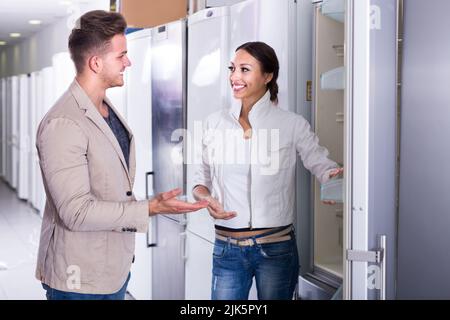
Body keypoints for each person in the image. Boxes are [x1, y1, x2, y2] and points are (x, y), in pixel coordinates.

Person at [35, 10, 208, 300]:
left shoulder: (104, 108)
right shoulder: (63, 123)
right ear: (95, 62)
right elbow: (75, 212)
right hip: (78, 280)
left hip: (112, 270)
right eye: (121, 55)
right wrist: (149, 208)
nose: (128, 61)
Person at [192, 41, 343, 300]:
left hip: (276, 249)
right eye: (232, 68)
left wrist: (334, 181)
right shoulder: (213, 123)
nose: (234, 77)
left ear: (268, 76)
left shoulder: (291, 124)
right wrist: (205, 198)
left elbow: (321, 164)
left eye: (244, 69)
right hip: (227, 248)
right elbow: (198, 180)